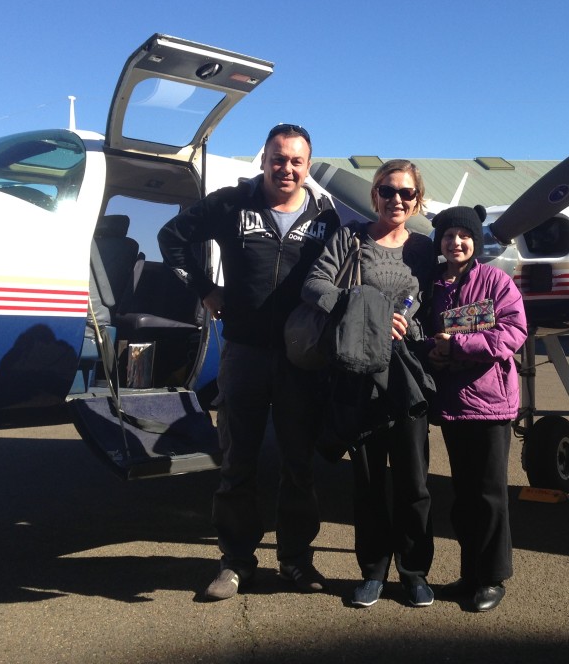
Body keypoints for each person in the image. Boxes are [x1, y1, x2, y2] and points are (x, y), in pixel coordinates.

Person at [158, 123, 340, 601]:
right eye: (278, 159)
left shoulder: (326, 216)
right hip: (244, 354)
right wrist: (203, 289)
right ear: (264, 160)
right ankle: (236, 562)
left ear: (307, 166)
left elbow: (344, 273)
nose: (287, 168)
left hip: (303, 359)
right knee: (238, 461)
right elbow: (171, 237)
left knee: (299, 463)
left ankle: (297, 560)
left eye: (296, 161)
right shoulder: (230, 203)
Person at [301, 159, 435, 609]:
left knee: (414, 481)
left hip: (407, 375)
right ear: (375, 193)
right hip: (360, 371)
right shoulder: (350, 239)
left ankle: (415, 572)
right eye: (388, 190)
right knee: (369, 480)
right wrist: (363, 309)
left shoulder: (424, 249)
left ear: (418, 200)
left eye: (406, 194)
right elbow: (314, 285)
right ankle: (374, 572)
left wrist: (410, 322)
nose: (397, 200)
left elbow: (431, 303)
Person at [425, 204, 527, 612]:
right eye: (449, 236)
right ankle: (470, 573)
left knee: (490, 494)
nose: (456, 242)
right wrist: (430, 352)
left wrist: (459, 344)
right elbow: (424, 332)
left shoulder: (497, 282)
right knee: (464, 495)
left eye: (464, 235)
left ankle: (493, 577)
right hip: (453, 405)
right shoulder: (434, 286)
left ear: (476, 240)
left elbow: (514, 331)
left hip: (490, 404)